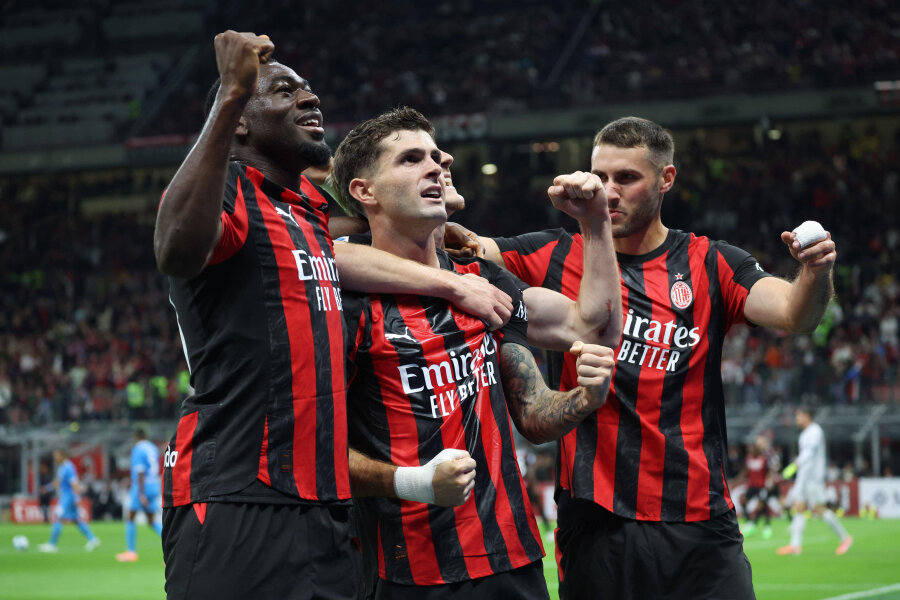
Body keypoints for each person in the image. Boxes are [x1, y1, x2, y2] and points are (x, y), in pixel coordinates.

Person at [154, 32, 512, 600]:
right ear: (240, 122)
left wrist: (441, 227)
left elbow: (369, 228)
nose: (309, 96)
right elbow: (174, 248)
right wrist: (230, 93)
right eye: (283, 90)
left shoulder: (306, 214)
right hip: (238, 493)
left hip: (326, 507)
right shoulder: (230, 192)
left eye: (308, 87)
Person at [477, 116, 837, 598]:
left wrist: (815, 272)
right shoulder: (550, 254)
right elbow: (458, 248)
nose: (608, 193)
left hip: (700, 524)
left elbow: (796, 314)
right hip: (597, 522)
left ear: (666, 179)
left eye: (626, 178)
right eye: (600, 177)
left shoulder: (712, 262)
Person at [330, 107, 619, 599]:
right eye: (410, 159)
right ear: (364, 191)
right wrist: (412, 482)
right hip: (409, 573)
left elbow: (587, 332)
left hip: (513, 559)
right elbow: (315, 451)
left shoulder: (483, 281)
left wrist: (595, 223)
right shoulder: (346, 303)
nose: (435, 167)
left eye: (435, 157)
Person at [777, 406, 853, 556]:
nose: (796, 419)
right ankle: (795, 545)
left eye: (799, 415)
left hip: (814, 478)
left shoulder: (815, 431)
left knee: (819, 509)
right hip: (805, 477)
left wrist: (795, 464)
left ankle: (845, 538)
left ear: (807, 415)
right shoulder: (804, 434)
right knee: (799, 507)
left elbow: (809, 453)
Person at [38, 449, 100, 553]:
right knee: (76, 519)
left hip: (68, 498)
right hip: (67, 497)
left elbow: (74, 483)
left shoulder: (69, 467)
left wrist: (77, 498)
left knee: (58, 516)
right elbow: (58, 482)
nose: (55, 458)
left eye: (57, 455)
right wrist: (47, 488)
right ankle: (93, 539)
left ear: (63, 455)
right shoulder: (63, 467)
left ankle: (52, 545)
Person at [116, 428, 163, 562]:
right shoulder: (153, 448)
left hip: (142, 487)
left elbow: (140, 471)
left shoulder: (138, 449)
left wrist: (141, 493)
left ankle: (131, 552)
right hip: (154, 485)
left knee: (130, 517)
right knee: (151, 520)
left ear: (136, 437)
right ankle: (174, 543)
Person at [742, 435, 773, 539]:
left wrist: (769, 481)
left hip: (761, 486)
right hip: (751, 485)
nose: (750, 451)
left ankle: (766, 526)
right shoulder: (748, 459)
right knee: (744, 502)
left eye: (751, 449)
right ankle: (750, 523)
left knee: (762, 505)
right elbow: (746, 471)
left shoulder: (763, 459)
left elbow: (768, 471)